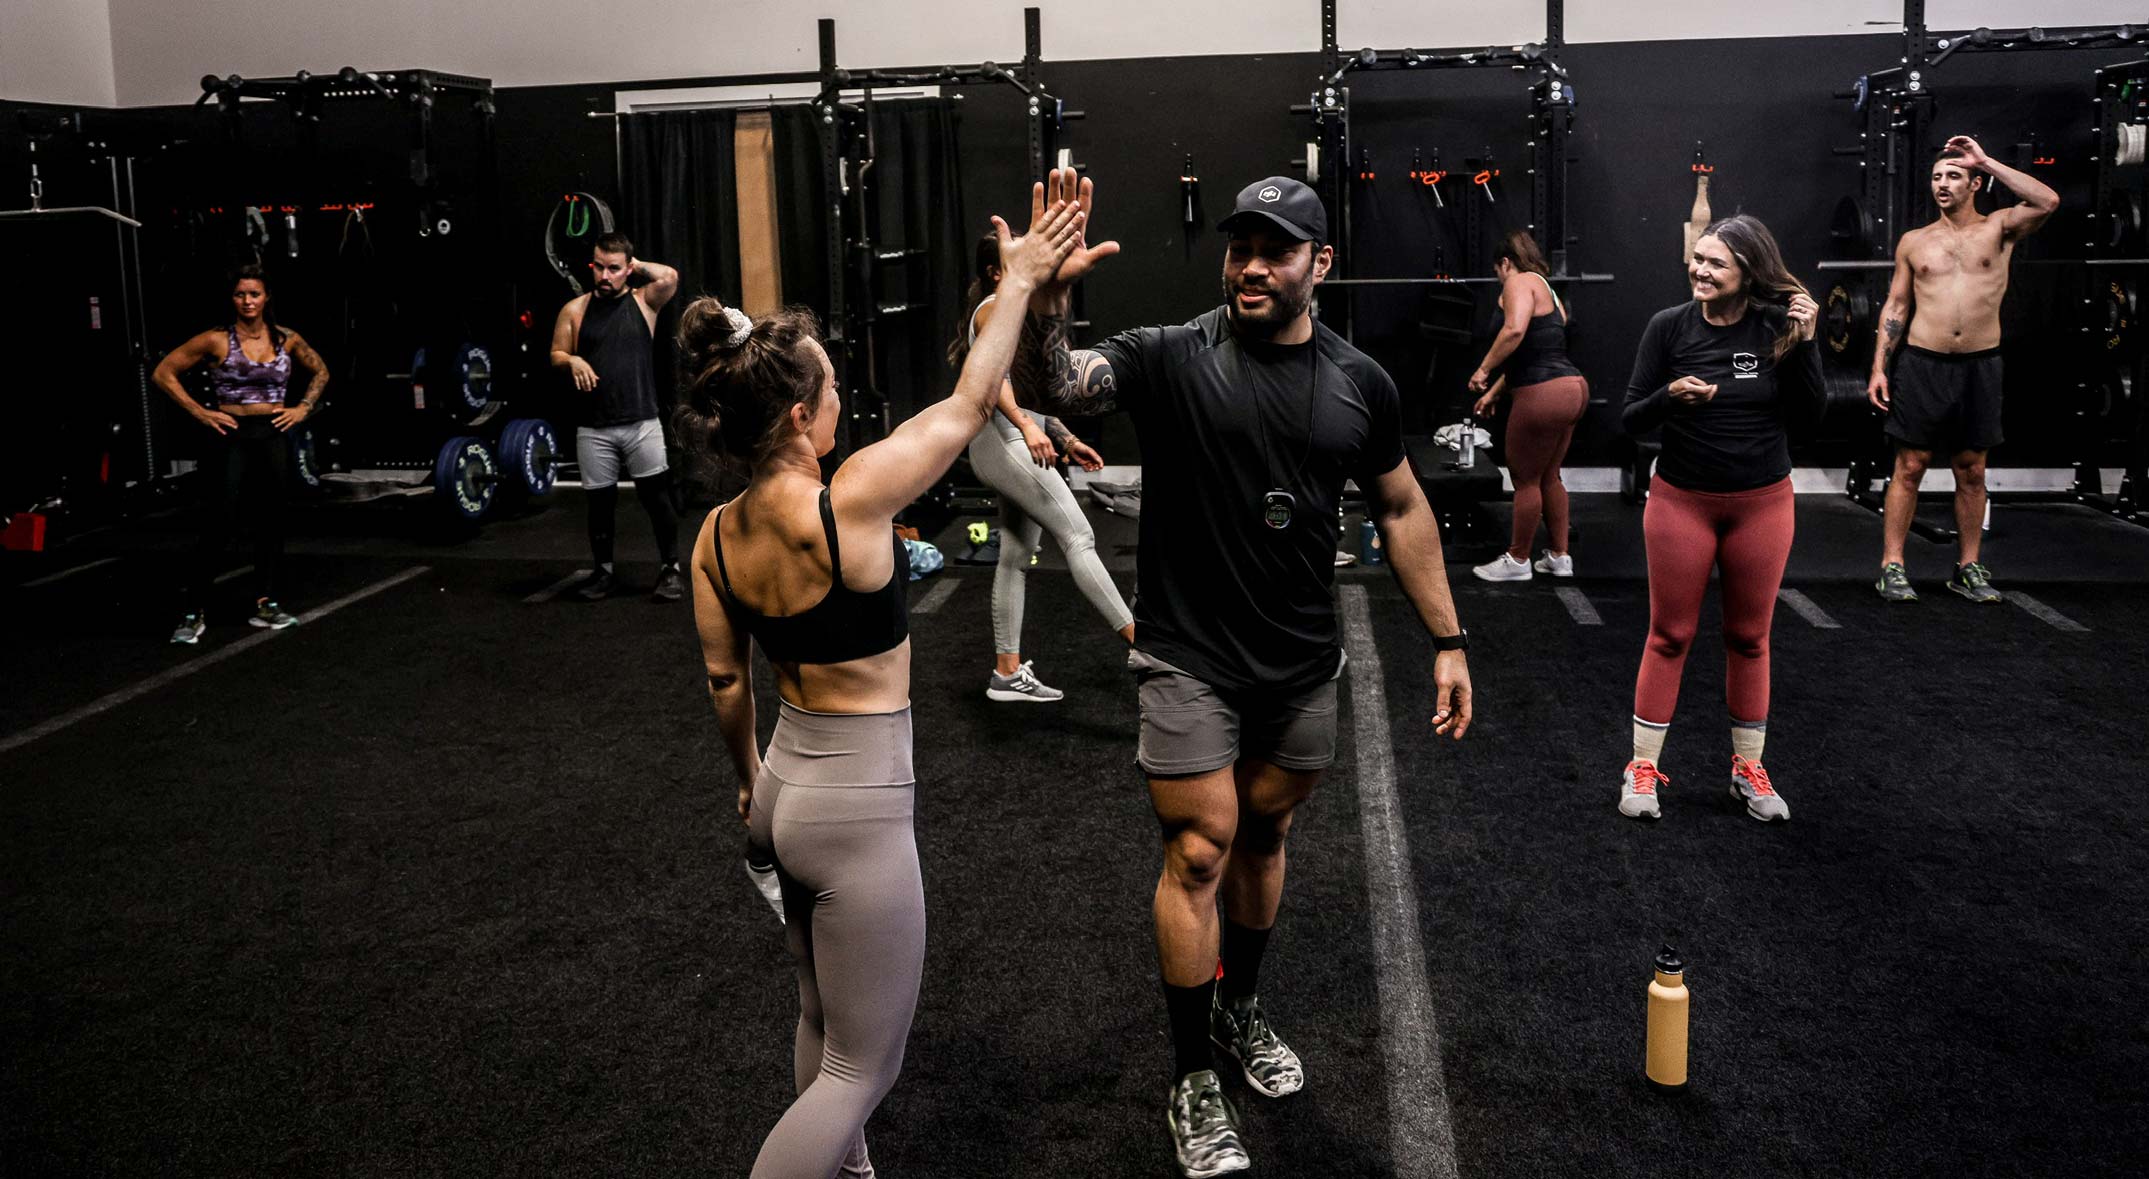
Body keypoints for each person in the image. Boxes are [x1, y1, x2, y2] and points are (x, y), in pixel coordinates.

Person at [1009, 170, 1473, 1179]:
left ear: (1321, 265)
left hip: (1300, 658)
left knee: (1266, 832)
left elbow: (1399, 508)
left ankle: (1239, 1006)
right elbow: (1056, 387)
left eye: (1275, 251)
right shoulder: (1173, 356)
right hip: (1188, 652)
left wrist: (1446, 638)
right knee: (1199, 850)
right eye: (1239, 249)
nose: (1252, 266)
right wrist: (1043, 298)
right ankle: (1190, 1077)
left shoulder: (1360, 382)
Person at [684, 194, 1083, 1179]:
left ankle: (848, 1171)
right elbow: (965, 405)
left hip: (783, 787)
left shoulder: (714, 535)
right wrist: (1021, 283)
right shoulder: (848, 498)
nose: (838, 402)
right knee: (864, 1066)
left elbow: (727, 681)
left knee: (821, 1019)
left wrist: (746, 791)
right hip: (856, 811)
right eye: (828, 389)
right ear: (796, 413)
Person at [1618, 215, 1822, 824]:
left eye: (1716, 264)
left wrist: (1805, 345)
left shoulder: (1774, 329)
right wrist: (1667, 398)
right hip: (1683, 501)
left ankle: (1747, 770)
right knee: (1670, 634)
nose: (1700, 271)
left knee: (1750, 637)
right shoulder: (1668, 328)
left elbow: (1810, 421)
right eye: (1697, 259)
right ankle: (1642, 768)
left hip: (1762, 503)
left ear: (1748, 274)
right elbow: (1629, 419)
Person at [1867, 135, 2059, 604]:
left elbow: (2048, 200)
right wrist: (1879, 367)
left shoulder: (2000, 228)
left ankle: (1968, 566)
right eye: (1936, 177)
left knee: (1972, 470)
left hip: (1979, 366)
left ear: (1976, 183)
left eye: (1954, 175)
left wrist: (1986, 159)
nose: (1942, 184)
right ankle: (1892, 565)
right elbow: (1896, 305)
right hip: (1922, 362)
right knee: (1909, 465)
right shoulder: (1915, 242)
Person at [950, 230, 1136, 702]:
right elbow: (997, 381)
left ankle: (1006, 676)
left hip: (1006, 443)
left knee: (1014, 558)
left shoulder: (1014, 310)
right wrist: (1029, 430)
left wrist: (1063, 435)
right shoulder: (994, 307)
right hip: (1006, 443)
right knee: (1079, 536)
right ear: (996, 273)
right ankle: (1147, 648)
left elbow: (1032, 392)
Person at [153, 264, 329, 643]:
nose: (247, 301)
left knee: (271, 520)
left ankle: (266, 603)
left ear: (266, 298)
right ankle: (193, 612)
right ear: (232, 299)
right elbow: (163, 372)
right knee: (220, 521)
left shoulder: (286, 339)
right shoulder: (216, 340)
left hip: (272, 434)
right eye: (240, 294)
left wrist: (302, 409)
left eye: (254, 294)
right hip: (231, 433)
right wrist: (200, 412)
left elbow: (321, 372)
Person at [549, 232, 685, 602]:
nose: (604, 276)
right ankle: (603, 572)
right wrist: (574, 359)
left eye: (613, 268)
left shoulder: (644, 302)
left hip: (641, 421)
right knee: (599, 504)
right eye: (598, 267)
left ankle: (670, 568)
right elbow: (557, 354)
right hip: (594, 428)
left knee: (656, 497)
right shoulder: (575, 310)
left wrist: (638, 266)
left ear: (628, 269)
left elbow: (670, 277)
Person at [1466, 229, 1589, 581]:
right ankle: (1559, 556)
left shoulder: (1518, 282)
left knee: (1525, 479)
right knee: (1550, 476)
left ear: (1505, 263)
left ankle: (1518, 560)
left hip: (1543, 393)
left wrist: (1483, 369)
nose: (1499, 280)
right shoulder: (1547, 288)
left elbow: (1515, 331)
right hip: (1571, 388)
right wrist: (1494, 394)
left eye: (1497, 272)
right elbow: (1536, 350)